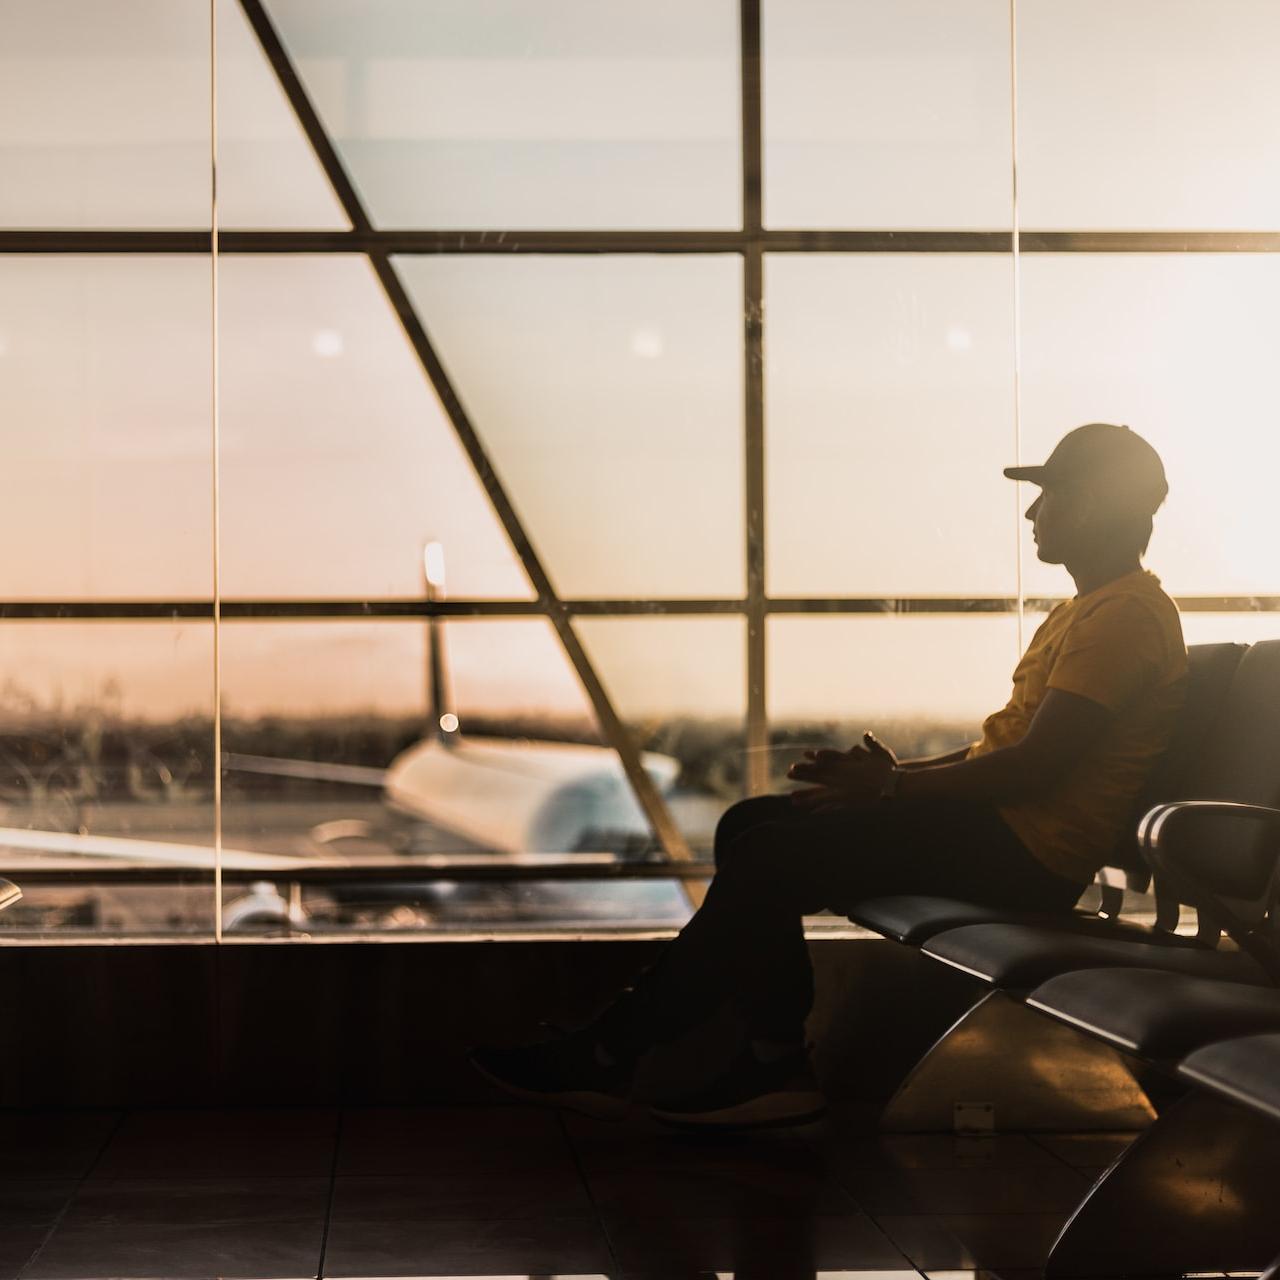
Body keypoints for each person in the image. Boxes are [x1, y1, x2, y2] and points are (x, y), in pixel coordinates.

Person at [471, 423, 1188, 1128]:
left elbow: (1036, 768)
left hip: (1027, 857)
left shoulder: (1124, 616)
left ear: (1091, 503)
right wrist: (891, 777)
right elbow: (1004, 752)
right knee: (751, 823)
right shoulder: (1088, 610)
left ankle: (618, 1050)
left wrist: (895, 790)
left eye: (1049, 494)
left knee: (770, 852)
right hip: (1002, 834)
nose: (1033, 513)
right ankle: (769, 1060)